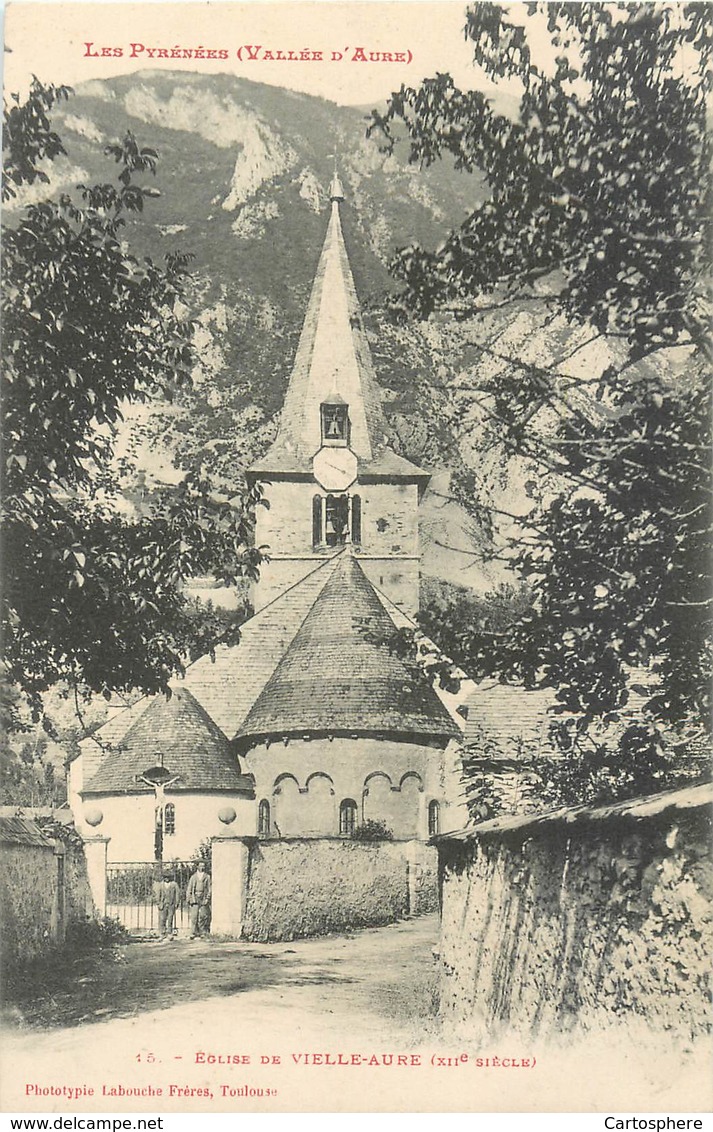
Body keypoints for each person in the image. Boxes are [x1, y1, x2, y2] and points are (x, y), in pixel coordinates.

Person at [186, 861, 211, 939]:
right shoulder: (193, 877)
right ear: (197, 867)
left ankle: (203, 932)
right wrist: (189, 899)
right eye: (200, 866)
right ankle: (193, 932)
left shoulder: (207, 876)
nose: (202, 867)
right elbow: (189, 888)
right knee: (194, 916)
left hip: (203, 897)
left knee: (203, 916)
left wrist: (207, 898)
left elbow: (210, 888)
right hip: (195, 897)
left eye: (203, 866)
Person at [157, 867, 180, 941]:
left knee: (170, 919)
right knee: (162, 919)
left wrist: (176, 903)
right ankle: (162, 933)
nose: (166, 878)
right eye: (165, 877)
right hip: (163, 904)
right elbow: (158, 895)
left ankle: (169, 933)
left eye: (168, 877)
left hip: (171, 904)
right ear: (163, 877)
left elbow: (177, 894)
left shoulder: (174, 884)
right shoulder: (161, 885)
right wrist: (159, 903)